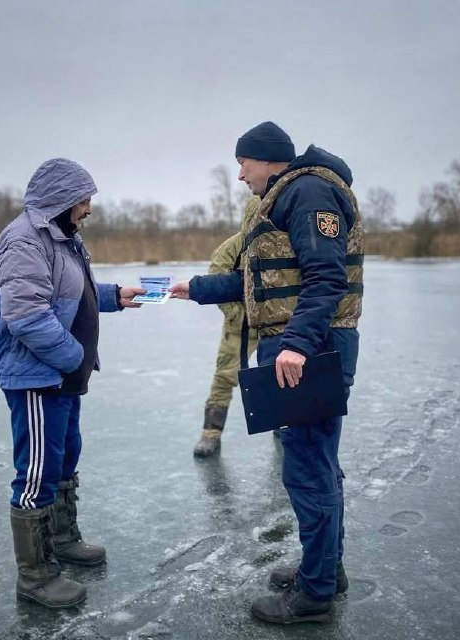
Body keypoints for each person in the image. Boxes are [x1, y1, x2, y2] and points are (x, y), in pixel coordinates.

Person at [170, 121, 363, 624]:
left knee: (306, 468)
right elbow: (267, 279)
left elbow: (326, 275)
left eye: (243, 163)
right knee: (318, 462)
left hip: (308, 348)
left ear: (268, 159)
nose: (239, 175)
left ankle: (314, 596)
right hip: (301, 345)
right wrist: (196, 287)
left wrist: (296, 345)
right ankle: (326, 568)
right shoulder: (288, 195)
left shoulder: (308, 192)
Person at [0, 158, 145, 609]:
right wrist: (74, 357)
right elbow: (26, 315)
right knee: (37, 468)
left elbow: (70, 292)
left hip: (61, 376)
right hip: (37, 376)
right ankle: (35, 576)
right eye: (83, 200)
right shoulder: (23, 241)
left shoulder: (62, 238)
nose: (88, 209)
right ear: (61, 199)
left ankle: (61, 539)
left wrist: (113, 296)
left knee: (64, 456)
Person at [193, 195, 260, 457]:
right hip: (240, 326)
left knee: (283, 376)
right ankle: (211, 432)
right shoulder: (233, 247)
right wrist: (239, 315)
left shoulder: (284, 244)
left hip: (278, 326)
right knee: (224, 376)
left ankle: (285, 425)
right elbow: (215, 282)